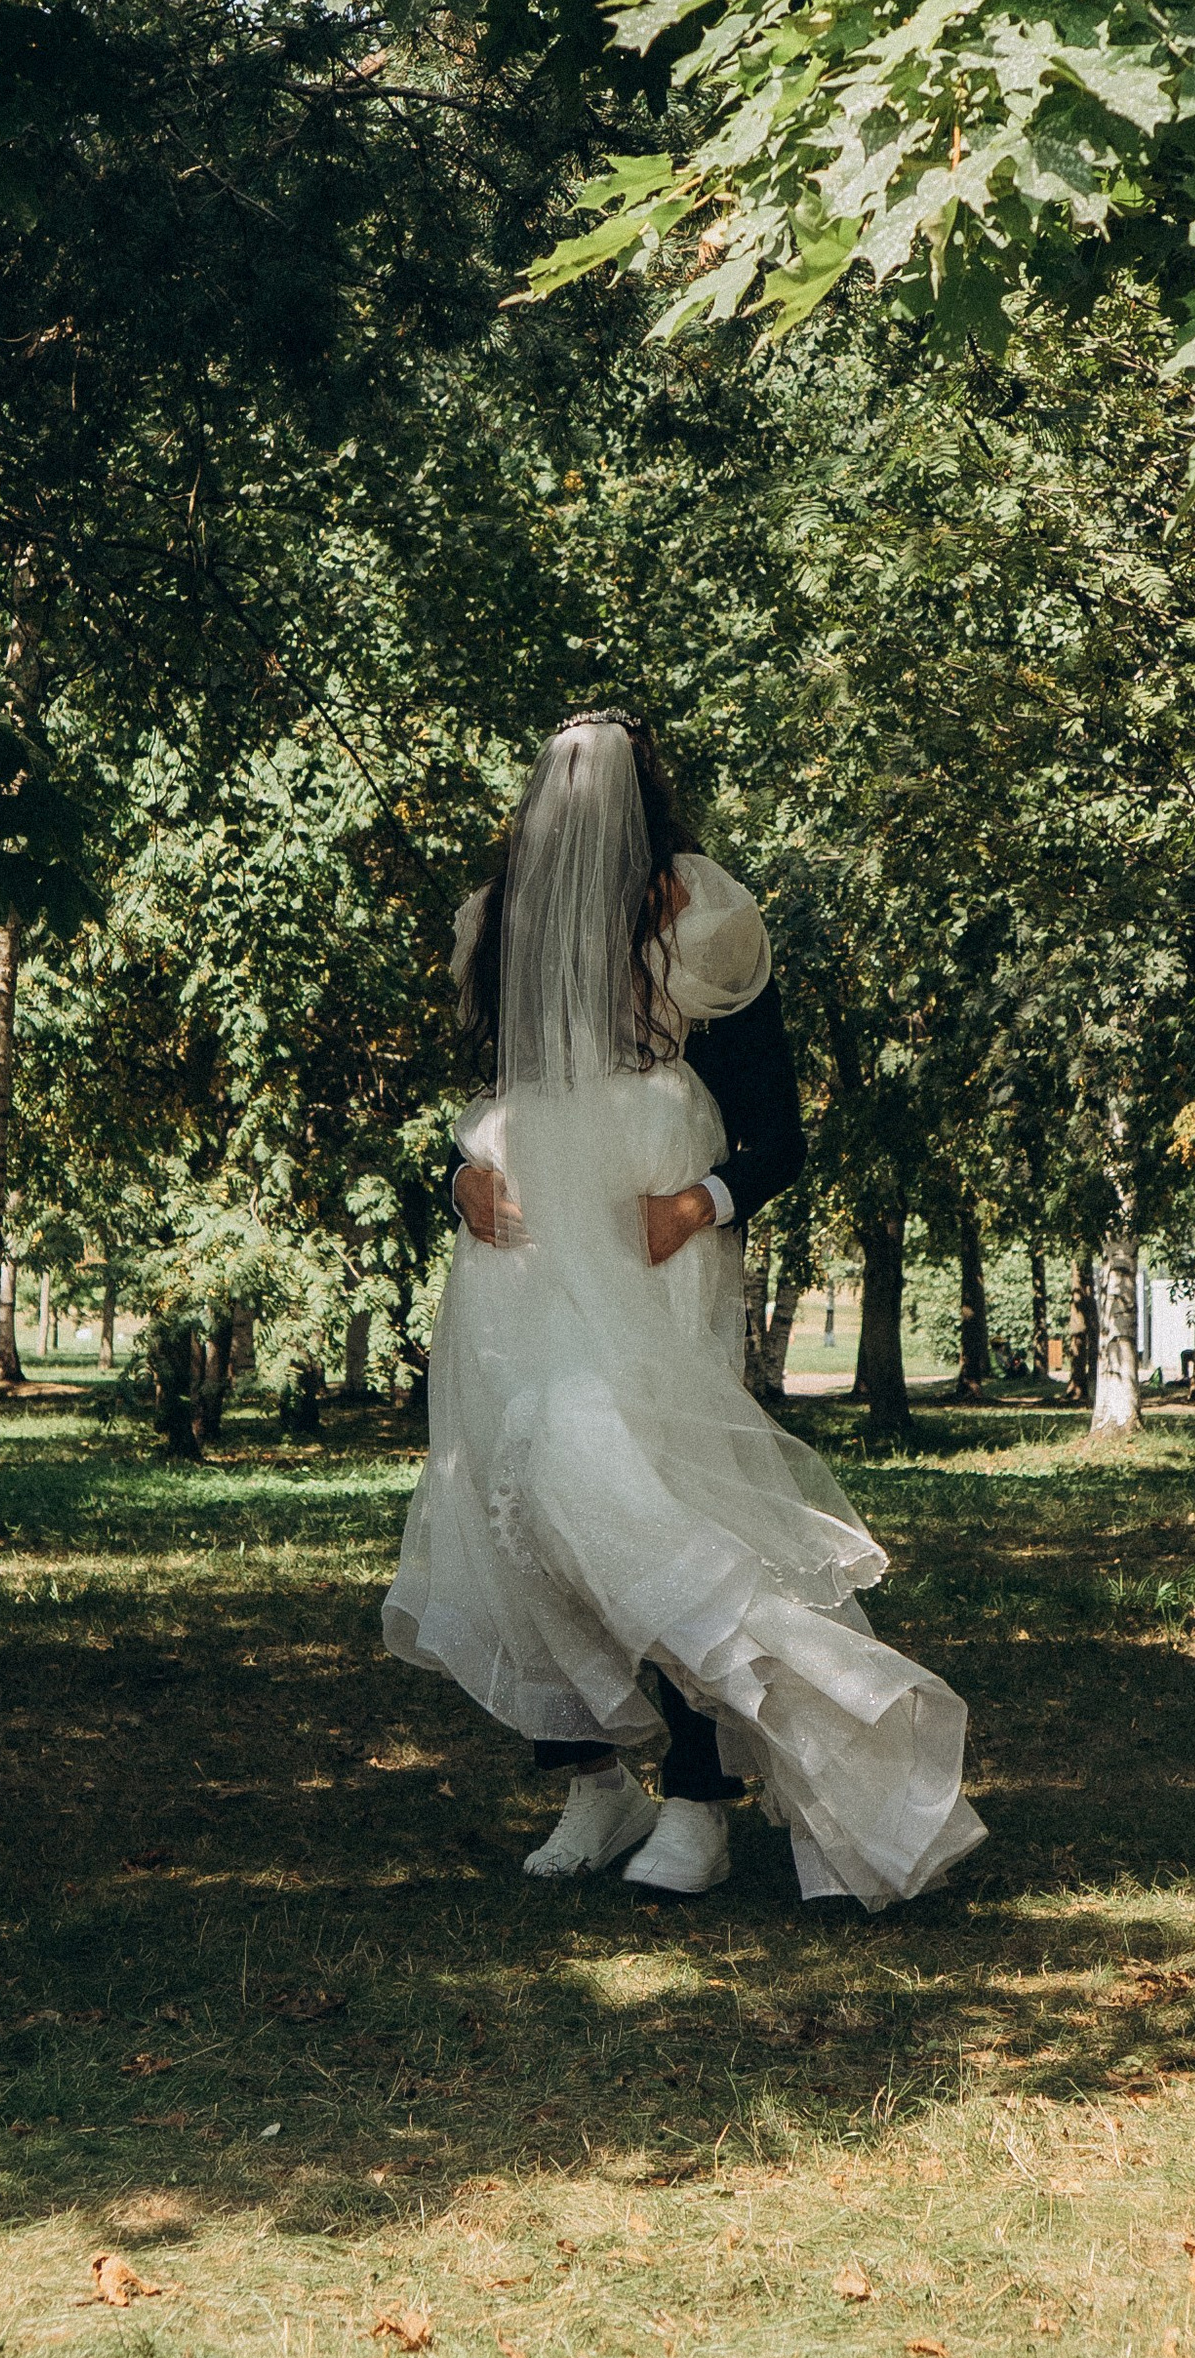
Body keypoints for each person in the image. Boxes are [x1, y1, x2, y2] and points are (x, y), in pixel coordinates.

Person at [382, 712, 985, 1908]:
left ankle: (707, 1800)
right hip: (515, 1277)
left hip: (654, 1270)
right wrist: (448, 1181)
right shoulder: (496, 919)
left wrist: (696, 1205)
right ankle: (592, 1782)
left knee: (639, 1502)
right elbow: (469, 1105)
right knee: (515, 1513)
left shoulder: (698, 913)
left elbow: (778, 1134)